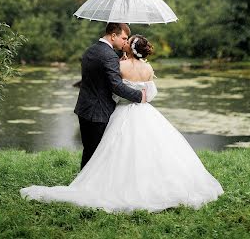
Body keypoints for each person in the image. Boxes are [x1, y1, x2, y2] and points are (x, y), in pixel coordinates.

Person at [20, 35, 223, 213]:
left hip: (124, 112)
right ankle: (152, 183)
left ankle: (115, 184)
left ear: (129, 49)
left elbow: (115, 91)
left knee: (115, 149)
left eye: (127, 42)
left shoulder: (121, 65)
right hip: (145, 112)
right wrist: (142, 97)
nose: (124, 44)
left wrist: (124, 80)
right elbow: (151, 94)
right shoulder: (149, 67)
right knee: (151, 148)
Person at [74, 22, 145, 169]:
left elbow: (97, 75)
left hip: (84, 108)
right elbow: (116, 86)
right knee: (99, 154)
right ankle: (88, 187)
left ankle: (83, 182)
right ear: (113, 35)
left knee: (89, 150)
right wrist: (139, 96)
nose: (125, 42)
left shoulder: (90, 50)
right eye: (124, 38)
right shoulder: (110, 56)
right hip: (99, 112)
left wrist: (116, 64)